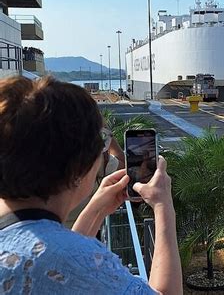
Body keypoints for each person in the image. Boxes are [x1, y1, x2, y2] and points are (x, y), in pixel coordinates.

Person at [0, 76, 182, 294]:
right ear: (78, 169)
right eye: (102, 141)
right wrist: (164, 206)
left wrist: (96, 209)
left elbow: (56, 258)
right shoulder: (81, 262)